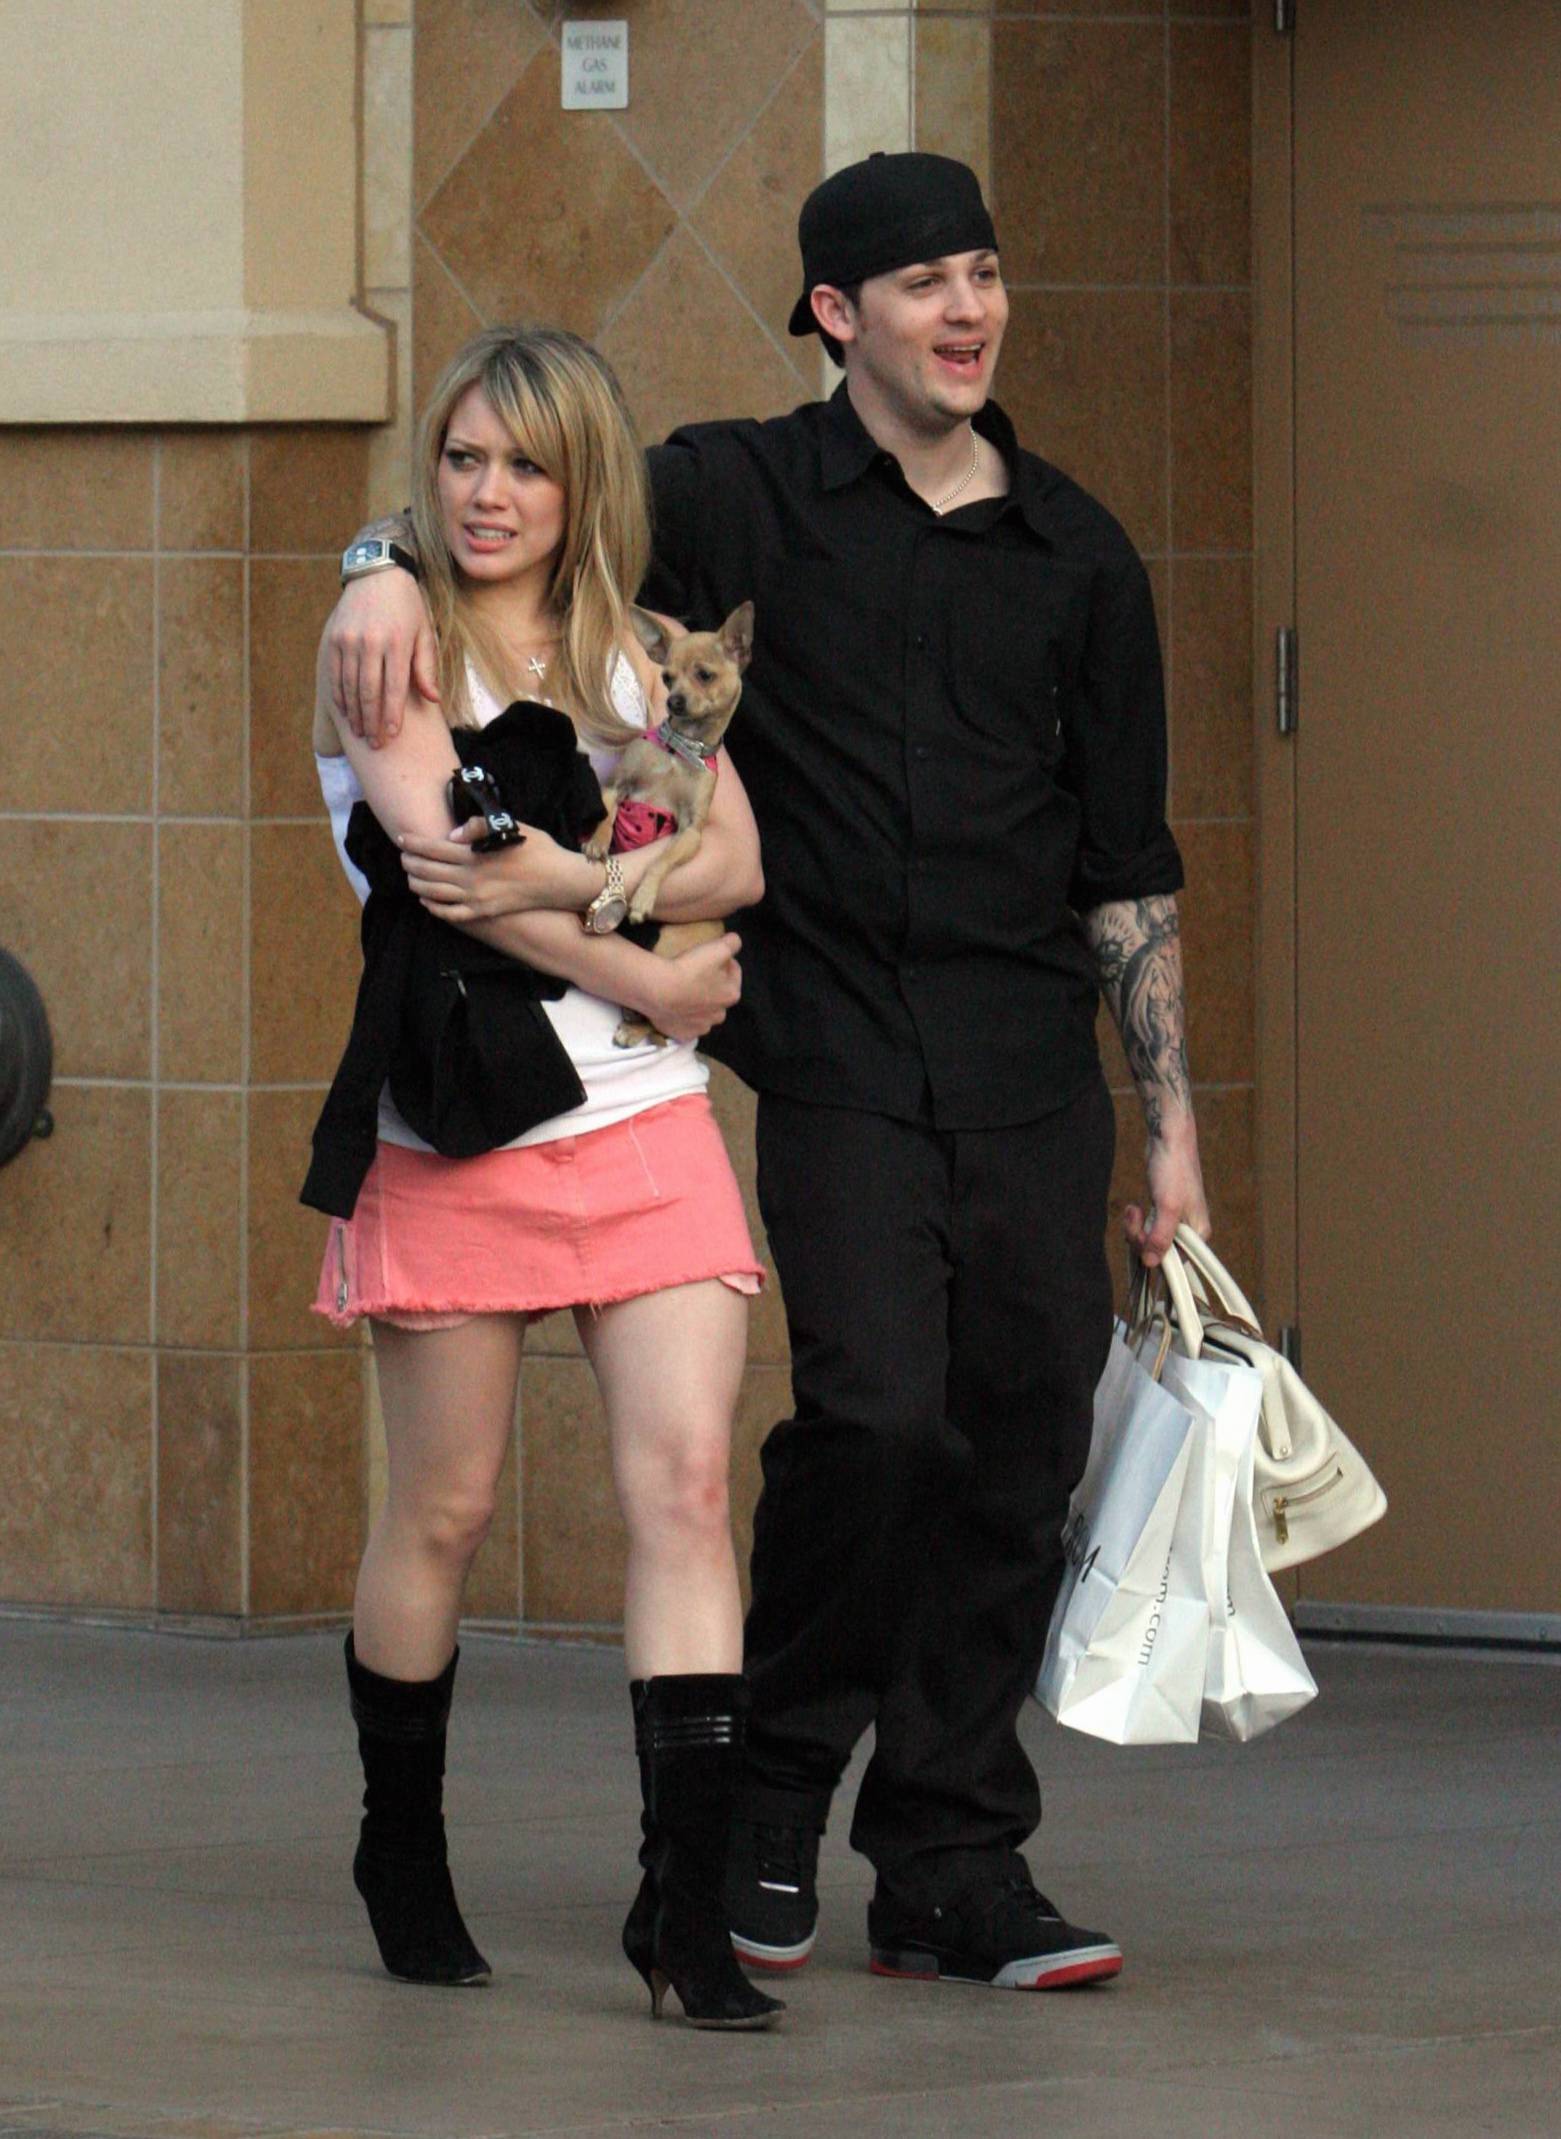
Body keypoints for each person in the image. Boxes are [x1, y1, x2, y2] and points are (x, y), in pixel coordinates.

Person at [324, 153, 1211, 1998]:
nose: (965, 310)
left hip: (1025, 1061)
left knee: (1018, 1450)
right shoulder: (733, 493)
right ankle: (765, 1802)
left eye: (983, 274)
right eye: (924, 283)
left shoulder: (1080, 551)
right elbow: (523, 493)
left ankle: (952, 1857)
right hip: (823, 1052)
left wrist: (1172, 1132)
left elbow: (1126, 860)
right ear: (834, 315)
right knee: (872, 1423)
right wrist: (371, 567)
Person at [310, 324, 782, 2029]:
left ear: (583, 483)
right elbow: (453, 876)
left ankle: (685, 1914)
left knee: (685, 1493)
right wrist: (651, 964)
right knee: (443, 1511)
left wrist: (578, 889)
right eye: (460, 459)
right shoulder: (385, 641)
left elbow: (737, 854)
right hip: (463, 1126)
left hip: (644, 1124)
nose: (487, 493)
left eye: (523, 462)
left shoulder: (636, 658)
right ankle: (400, 1845)